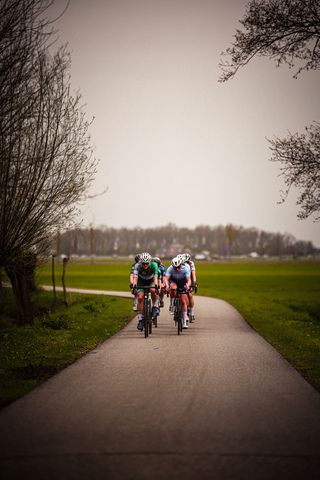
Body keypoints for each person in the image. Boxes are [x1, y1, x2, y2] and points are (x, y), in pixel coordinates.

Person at [132, 252, 159, 331]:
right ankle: (140, 320)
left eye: (146, 263)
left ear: (149, 262)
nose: (145, 265)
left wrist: (156, 285)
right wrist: (134, 285)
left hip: (150, 280)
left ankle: (154, 306)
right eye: (143, 263)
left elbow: (155, 277)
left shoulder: (154, 265)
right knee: (140, 297)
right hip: (141, 280)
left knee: (153, 290)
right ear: (141, 262)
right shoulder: (137, 266)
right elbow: (135, 277)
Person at [164, 256, 191, 329]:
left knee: (183, 301)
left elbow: (188, 279)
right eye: (175, 268)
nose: (177, 269)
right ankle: (172, 305)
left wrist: (188, 285)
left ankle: (185, 322)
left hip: (182, 281)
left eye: (179, 267)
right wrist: (167, 286)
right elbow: (166, 278)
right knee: (173, 288)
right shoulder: (170, 268)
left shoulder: (185, 268)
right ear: (173, 267)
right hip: (174, 281)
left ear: (181, 265)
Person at [183, 253, 197, 323]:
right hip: (183, 277)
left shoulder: (191, 263)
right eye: (185, 262)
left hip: (189, 278)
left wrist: (194, 282)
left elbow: (193, 274)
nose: (186, 263)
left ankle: (191, 314)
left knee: (190, 294)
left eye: (187, 262)